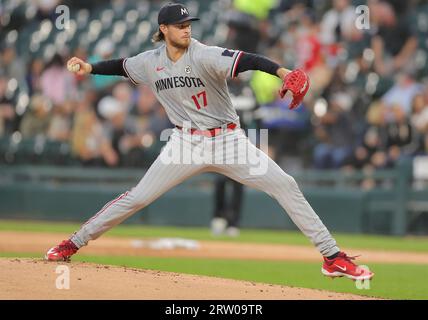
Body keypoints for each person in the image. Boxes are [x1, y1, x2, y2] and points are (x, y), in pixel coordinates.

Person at [45, 3, 373, 281]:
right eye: (180, 25)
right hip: (184, 143)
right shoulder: (150, 62)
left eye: (188, 24)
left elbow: (249, 60)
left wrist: (284, 72)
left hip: (229, 140)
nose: (187, 29)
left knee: (285, 184)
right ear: (164, 29)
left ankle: (332, 257)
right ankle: (74, 242)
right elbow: (121, 66)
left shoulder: (205, 54)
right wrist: (88, 67)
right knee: (138, 197)